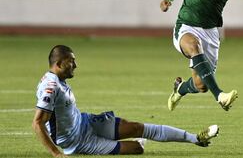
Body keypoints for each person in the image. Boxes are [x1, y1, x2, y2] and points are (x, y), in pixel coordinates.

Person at [32, 45, 219, 157]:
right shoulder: (51, 87)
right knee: (137, 149)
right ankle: (140, 141)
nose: (75, 65)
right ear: (58, 64)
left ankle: (196, 139)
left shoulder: (57, 81)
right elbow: (38, 123)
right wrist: (56, 153)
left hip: (85, 122)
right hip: (78, 141)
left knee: (136, 127)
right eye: (71, 61)